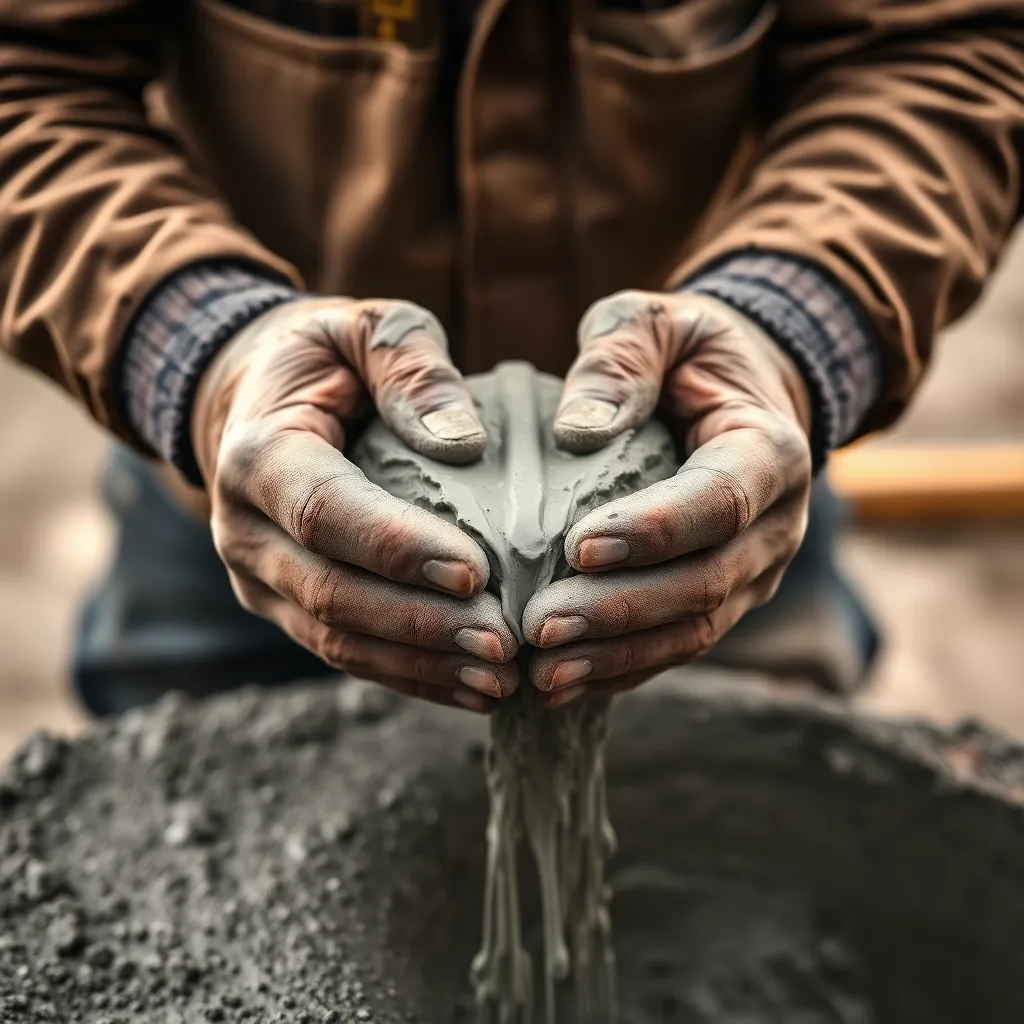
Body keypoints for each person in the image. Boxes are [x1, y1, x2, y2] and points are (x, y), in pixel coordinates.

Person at [1, 0, 1021, 716]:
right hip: (254, 488)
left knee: (750, 842)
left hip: (708, 485)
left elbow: (943, 47)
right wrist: (198, 342)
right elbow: (27, 72)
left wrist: (795, 318)